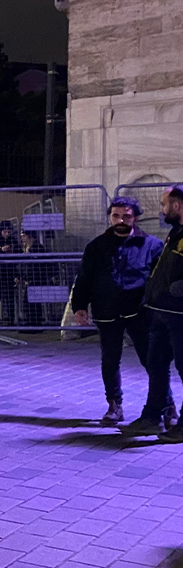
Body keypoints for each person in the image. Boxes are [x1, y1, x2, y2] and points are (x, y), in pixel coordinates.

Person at [71, 196, 167, 426]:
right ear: (110, 217)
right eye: (116, 215)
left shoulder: (151, 245)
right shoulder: (96, 246)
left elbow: (160, 280)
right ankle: (114, 405)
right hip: (107, 310)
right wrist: (79, 306)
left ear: (135, 217)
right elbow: (84, 278)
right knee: (110, 360)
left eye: (126, 216)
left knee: (152, 360)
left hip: (140, 311)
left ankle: (166, 404)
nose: (121, 220)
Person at [134, 186, 183, 440]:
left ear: (176, 206)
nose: (161, 210)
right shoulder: (175, 234)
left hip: (180, 313)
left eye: (164, 205)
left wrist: (177, 289)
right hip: (161, 311)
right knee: (156, 363)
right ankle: (154, 415)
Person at [0, 220, 21, 325]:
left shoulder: (13, 241)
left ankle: (11, 321)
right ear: (1, 231)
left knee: (10, 298)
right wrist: (0, 250)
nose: (7, 234)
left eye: (8, 232)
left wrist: (16, 275)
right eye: (5, 232)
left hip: (9, 273)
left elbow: (18, 256)